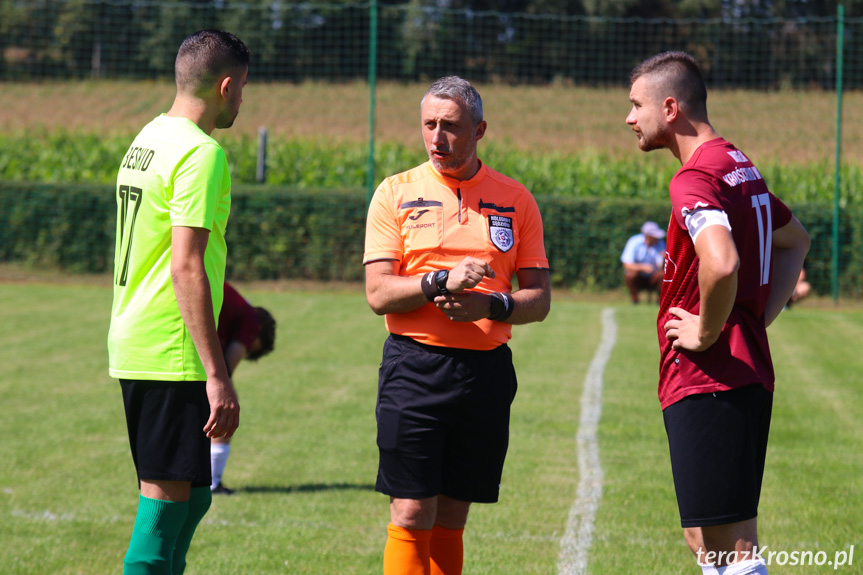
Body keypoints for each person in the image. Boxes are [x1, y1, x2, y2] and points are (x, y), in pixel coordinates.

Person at [626, 52, 810, 575]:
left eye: (636, 106)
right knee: (712, 535)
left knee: (728, 546)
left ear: (669, 107)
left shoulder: (693, 177)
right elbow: (797, 241)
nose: (629, 118)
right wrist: (755, 320)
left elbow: (722, 261)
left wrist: (708, 331)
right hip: (743, 365)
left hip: (709, 376)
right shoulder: (737, 164)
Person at [363, 76, 551, 575]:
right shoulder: (394, 193)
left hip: (485, 374)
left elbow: (539, 299)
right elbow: (378, 293)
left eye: (450, 126)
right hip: (414, 368)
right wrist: (440, 280)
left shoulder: (516, 199)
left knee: (451, 516)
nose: (437, 138)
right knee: (410, 510)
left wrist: (492, 307)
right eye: (429, 124)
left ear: (479, 130)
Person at [107, 29, 249, 574]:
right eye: (242, 91)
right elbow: (186, 265)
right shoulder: (201, 152)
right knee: (164, 510)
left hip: (142, 338)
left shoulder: (148, 138)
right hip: (172, 349)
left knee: (193, 497)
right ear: (227, 85)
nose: (240, 102)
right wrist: (218, 374)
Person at [210, 281, 277, 495]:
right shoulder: (251, 321)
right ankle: (212, 482)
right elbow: (226, 370)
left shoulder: (237, 308)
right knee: (225, 407)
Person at [621, 220, 666, 303]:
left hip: (654, 276)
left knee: (663, 275)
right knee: (631, 275)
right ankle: (635, 299)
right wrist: (643, 268)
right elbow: (626, 264)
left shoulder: (660, 243)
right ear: (648, 235)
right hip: (639, 277)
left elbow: (662, 267)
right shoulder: (634, 242)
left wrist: (664, 259)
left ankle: (660, 300)